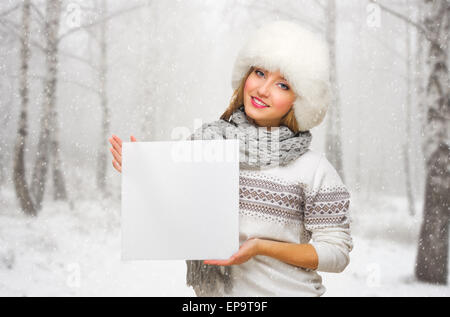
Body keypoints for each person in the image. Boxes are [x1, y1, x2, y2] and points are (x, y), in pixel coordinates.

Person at [109, 20, 353, 297]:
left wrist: (261, 247)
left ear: (300, 101)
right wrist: (147, 174)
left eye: (282, 85)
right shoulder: (207, 147)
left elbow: (337, 253)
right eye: (259, 73)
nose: (262, 89)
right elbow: (179, 213)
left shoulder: (313, 169)